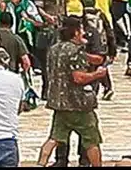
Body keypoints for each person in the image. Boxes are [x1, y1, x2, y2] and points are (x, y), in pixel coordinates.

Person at [37, 17, 107, 170]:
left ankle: (41, 164)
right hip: (77, 104)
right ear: (75, 32)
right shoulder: (75, 51)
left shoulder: (54, 49)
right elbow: (78, 77)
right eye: (81, 30)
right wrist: (97, 74)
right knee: (91, 140)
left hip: (58, 102)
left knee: (54, 138)